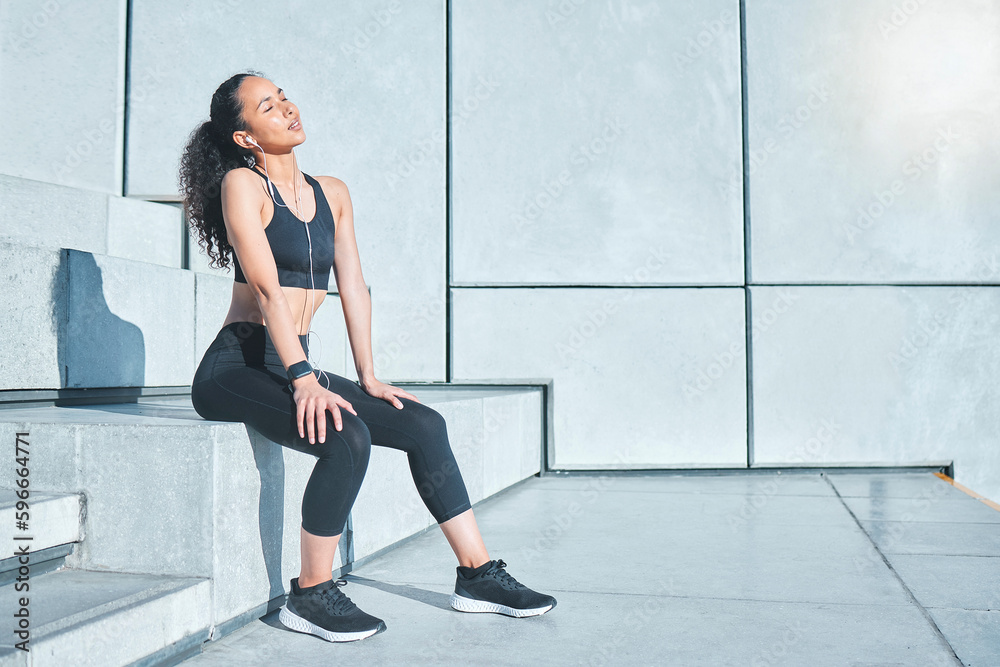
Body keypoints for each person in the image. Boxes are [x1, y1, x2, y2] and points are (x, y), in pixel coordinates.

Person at [179, 71, 556, 643]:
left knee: (426, 424)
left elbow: (353, 286)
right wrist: (304, 378)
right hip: (238, 367)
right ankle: (309, 595)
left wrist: (369, 375)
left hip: (295, 361)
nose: (286, 108)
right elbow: (266, 291)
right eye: (267, 106)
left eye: (283, 97)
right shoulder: (243, 186)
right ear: (246, 137)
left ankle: (477, 575)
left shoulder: (332, 192)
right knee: (346, 437)